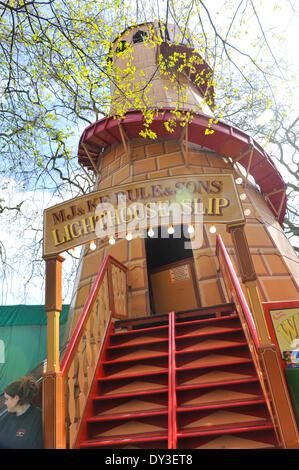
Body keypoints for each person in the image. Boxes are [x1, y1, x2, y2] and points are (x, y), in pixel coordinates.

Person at [0, 376, 43, 449]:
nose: (5, 403)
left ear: (16, 398)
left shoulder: (37, 417)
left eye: (7, 399)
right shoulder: (7, 417)